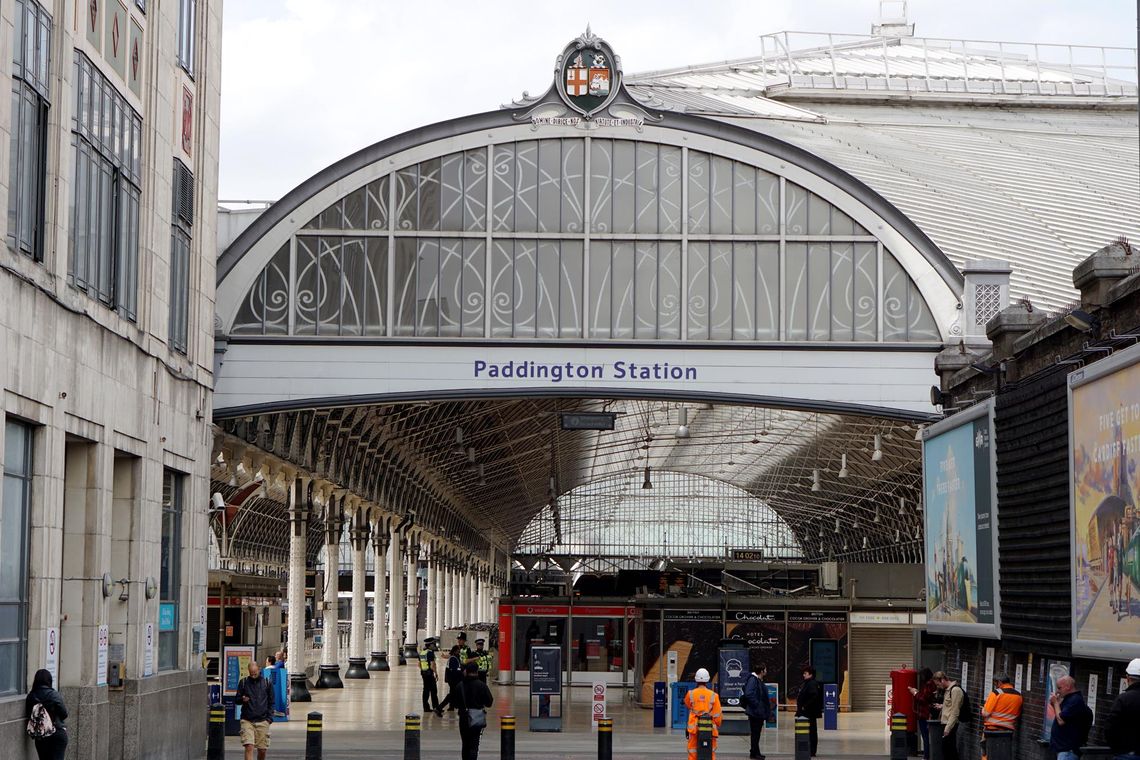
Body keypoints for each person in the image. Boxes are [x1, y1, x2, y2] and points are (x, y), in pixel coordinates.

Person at [453, 662, 494, 760]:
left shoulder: (460, 686)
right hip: (477, 718)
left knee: (465, 744)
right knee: (474, 745)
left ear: (466, 671)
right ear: (477, 671)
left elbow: (455, 704)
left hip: (463, 718)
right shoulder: (482, 685)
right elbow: (489, 702)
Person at [25, 668, 68, 760]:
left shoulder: (31, 696)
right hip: (57, 732)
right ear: (49, 681)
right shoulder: (53, 694)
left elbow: (29, 715)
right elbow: (64, 714)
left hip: (41, 735)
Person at [236, 660, 274, 760]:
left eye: (255, 673)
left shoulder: (266, 682)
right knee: (249, 746)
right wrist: (242, 699)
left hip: (263, 720)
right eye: (251, 674)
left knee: (262, 750)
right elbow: (237, 700)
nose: (253, 675)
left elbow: (271, 702)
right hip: (247, 720)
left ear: (259, 669)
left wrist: (269, 719)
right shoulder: (243, 682)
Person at [1048, 675, 1093, 760]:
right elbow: (1059, 716)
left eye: (1059, 688)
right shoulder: (1069, 700)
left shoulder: (1075, 701)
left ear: (1068, 687)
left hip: (1068, 751)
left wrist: (1056, 703)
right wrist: (1054, 704)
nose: (1057, 691)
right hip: (1064, 749)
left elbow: (1061, 720)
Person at [981, 673, 1022, 760]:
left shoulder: (996, 693)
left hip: (992, 730)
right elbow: (1017, 714)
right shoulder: (1019, 696)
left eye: (995, 684)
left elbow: (986, 713)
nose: (995, 687)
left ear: (999, 683)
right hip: (1008, 731)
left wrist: (983, 709)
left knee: (987, 753)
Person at [1105, 657, 1140, 759]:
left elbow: (1110, 726)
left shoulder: (1123, 699)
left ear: (1127, 678)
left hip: (1125, 753)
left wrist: (1116, 747)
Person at [685, 668, 723, 760]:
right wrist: (717, 723)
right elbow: (717, 715)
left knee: (693, 751)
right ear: (708, 680)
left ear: (696, 679)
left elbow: (688, 705)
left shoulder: (690, 694)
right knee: (709, 751)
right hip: (709, 728)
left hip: (694, 729)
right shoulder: (714, 695)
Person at [742, 661, 772, 760]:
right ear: (762, 671)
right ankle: (755, 753)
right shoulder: (753, 680)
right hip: (755, 712)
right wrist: (757, 705)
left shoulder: (758, 680)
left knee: (757, 733)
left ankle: (755, 751)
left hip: (758, 711)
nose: (766, 671)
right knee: (755, 733)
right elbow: (748, 694)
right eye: (765, 669)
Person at [909, 668, 938, 760]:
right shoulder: (931, 684)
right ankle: (927, 755)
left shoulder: (929, 684)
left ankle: (926, 756)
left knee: (925, 736)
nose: (920, 678)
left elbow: (923, 699)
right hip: (926, 713)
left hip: (924, 714)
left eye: (921, 676)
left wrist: (915, 693)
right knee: (926, 736)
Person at [935, 671, 966, 760]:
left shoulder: (955, 690)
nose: (938, 687)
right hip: (946, 723)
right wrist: (942, 706)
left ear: (942, 680)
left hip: (950, 724)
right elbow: (950, 706)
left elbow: (955, 711)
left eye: (938, 684)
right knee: (947, 750)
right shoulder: (948, 690)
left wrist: (948, 728)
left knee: (950, 751)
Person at [796, 665, 823, 758]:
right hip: (807, 712)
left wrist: (804, 706)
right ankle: (809, 749)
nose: (803, 675)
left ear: (810, 674)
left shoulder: (811, 684)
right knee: (809, 732)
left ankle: (812, 750)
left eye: (805, 673)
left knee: (811, 732)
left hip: (809, 713)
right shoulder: (808, 683)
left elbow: (814, 696)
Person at [418, 637, 443, 716]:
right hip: (429, 674)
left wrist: (423, 670)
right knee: (433, 691)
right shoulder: (430, 653)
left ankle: (426, 707)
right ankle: (436, 707)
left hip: (424, 673)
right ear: (430, 645)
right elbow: (432, 665)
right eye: (433, 644)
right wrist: (436, 673)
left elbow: (419, 664)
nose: (434, 645)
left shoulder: (422, 652)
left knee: (425, 691)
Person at [439, 644, 464, 712]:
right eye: (458, 650)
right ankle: (440, 707)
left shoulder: (456, 657)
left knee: (452, 694)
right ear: (455, 651)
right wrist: (462, 675)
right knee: (452, 694)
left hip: (453, 680)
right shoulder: (453, 658)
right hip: (454, 680)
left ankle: (451, 706)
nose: (459, 651)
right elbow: (455, 671)